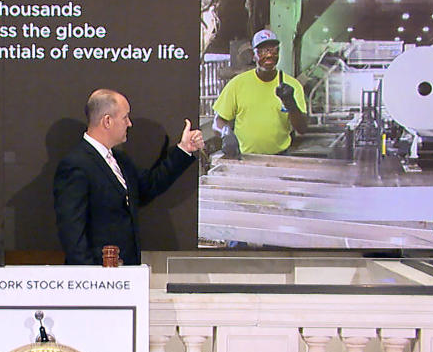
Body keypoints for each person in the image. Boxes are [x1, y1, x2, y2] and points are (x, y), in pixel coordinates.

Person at [53, 89, 205, 265]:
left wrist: (184, 149)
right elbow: (72, 233)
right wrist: (93, 280)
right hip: (101, 281)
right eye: (125, 117)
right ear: (107, 121)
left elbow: (149, 186)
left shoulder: (120, 160)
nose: (129, 123)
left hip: (126, 275)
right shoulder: (76, 165)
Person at [213, 29, 308, 157]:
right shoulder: (237, 84)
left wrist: (291, 104)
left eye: (273, 50)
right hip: (245, 158)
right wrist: (225, 133)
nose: (268, 55)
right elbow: (218, 121)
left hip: (280, 158)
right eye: (262, 51)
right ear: (253, 55)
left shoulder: (292, 85)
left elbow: (302, 129)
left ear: (278, 53)